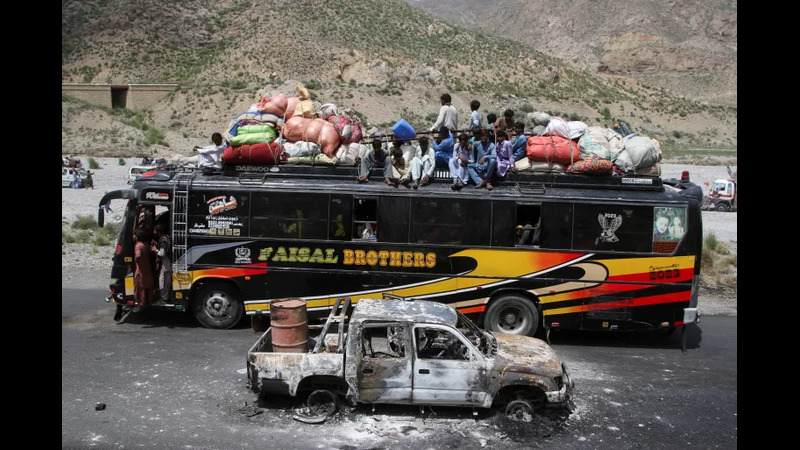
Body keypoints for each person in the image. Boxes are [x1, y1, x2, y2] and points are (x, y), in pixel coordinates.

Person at [132, 229, 154, 313]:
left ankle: (141, 304)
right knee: (147, 285)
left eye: (134, 235)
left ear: (137, 237)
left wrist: (136, 260)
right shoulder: (146, 244)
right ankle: (149, 300)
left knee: (140, 287)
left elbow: (138, 255)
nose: (133, 237)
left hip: (140, 269)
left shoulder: (138, 245)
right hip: (147, 268)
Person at [152, 224, 172, 304]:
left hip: (165, 262)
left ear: (158, 232)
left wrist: (155, 250)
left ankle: (164, 297)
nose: (154, 232)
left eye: (155, 230)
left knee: (163, 279)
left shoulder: (163, 240)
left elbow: (162, 253)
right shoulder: (166, 237)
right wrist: (156, 244)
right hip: (167, 262)